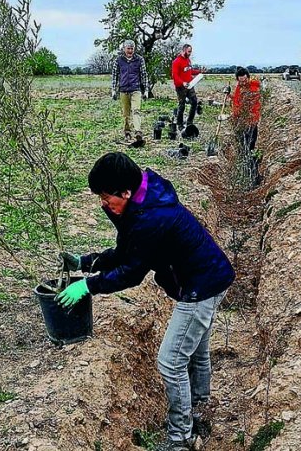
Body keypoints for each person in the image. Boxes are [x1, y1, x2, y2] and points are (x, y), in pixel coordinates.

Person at [56, 152, 235, 451]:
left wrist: (88, 286)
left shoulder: (152, 218)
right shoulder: (141, 201)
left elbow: (131, 272)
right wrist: (85, 262)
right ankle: (201, 409)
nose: (103, 203)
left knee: (171, 361)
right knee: (196, 350)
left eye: (105, 197)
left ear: (125, 192)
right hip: (211, 276)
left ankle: (180, 439)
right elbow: (127, 251)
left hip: (201, 286)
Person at [111, 40, 149, 142]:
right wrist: (113, 90)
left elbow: (144, 75)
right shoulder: (118, 60)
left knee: (136, 110)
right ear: (124, 49)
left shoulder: (139, 60)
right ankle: (127, 132)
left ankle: (138, 132)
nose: (130, 50)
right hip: (123, 89)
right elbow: (115, 75)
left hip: (135, 89)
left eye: (132, 48)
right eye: (128, 48)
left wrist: (146, 90)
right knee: (126, 114)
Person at [172, 44, 204, 135]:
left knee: (194, 101)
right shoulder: (176, 62)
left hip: (190, 85)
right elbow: (175, 76)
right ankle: (180, 124)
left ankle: (190, 121)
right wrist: (182, 83)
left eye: (191, 52)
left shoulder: (188, 60)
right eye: (189, 51)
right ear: (184, 50)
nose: (190, 53)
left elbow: (190, 71)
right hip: (181, 87)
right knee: (181, 105)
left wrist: (199, 71)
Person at [231, 66, 261, 152]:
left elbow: (261, 93)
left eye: (244, 80)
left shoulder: (255, 84)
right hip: (241, 118)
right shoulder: (238, 88)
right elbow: (236, 101)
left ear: (248, 77)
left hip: (253, 117)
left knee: (252, 139)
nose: (243, 83)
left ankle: (251, 155)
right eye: (241, 81)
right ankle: (244, 154)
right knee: (242, 140)